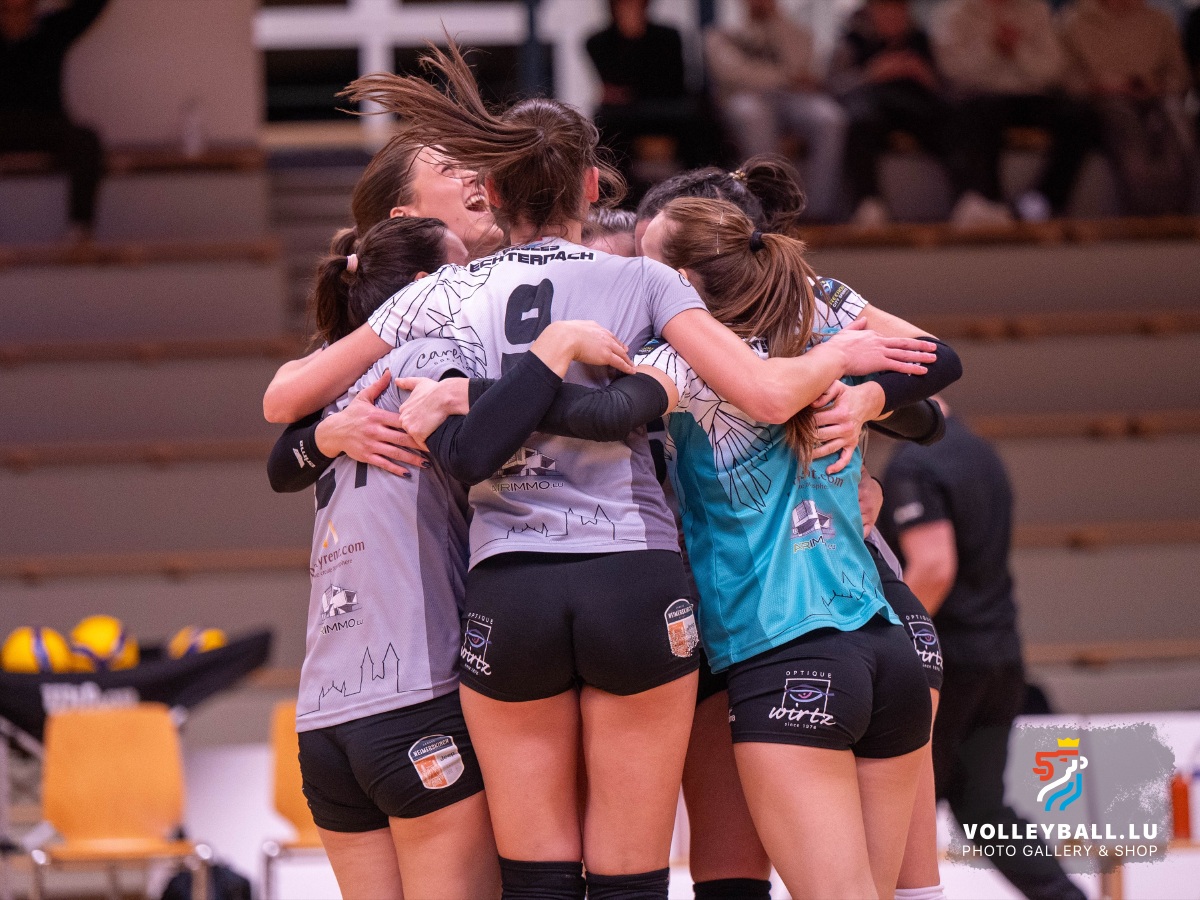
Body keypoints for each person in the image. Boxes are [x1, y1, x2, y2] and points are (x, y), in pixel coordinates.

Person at [262, 41, 938, 900]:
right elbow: (767, 393)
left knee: (538, 878)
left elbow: (286, 402)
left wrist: (344, 428)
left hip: (509, 588)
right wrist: (846, 371)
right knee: (634, 876)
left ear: (493, 190)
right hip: (638, 578)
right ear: (591, 186)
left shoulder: (435, 295)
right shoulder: (645, 278)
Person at [268, 213, 640, 899]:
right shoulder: (430, 355)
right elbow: (480, 445)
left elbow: (278, 457)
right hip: (414, 695)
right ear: (426, 287)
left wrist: (320, 438)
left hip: (324, 720)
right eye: (465, 268)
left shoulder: (328, 385)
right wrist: (555, 348)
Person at [634, 157, 953, 899]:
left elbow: (598, 409)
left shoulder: (679, 365)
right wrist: (862, 387)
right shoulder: (820, 317)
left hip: (784, 653)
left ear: (683, 279)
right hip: (883, 646)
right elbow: (938, 370)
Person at [880, 397, 1087, 900]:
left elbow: (934, 566)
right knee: (982, 807)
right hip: (1000, 659)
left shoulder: (914, 462)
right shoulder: (980, 451)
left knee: (897, 807)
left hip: (948, 665)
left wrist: (891, 640)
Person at [829, 0, 1012, 228]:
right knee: (860, 121)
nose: (892, 16)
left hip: (918, 104)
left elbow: (949, 86)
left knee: (966, 118)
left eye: (898, 10)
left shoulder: (922, 41)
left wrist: (925, 76)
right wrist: (872, 74)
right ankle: (868, 203)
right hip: (874, 104)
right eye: (885, 9)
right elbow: (833, 86)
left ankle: (972, 199)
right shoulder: (851, 41)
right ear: (872, 12)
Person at [932, 0, 1100, 222]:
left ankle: (1041, 202)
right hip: (980, 97)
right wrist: (993, 48)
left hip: (1031, 95)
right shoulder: (955, 13)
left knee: (1081, 116)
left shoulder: (1036, 10)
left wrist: (1018, 50)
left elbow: (1052, 68)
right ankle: (988, 203)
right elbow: (953, 69)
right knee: (974, 116)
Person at [704, 0, 847, 221]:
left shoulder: (793, 31)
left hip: (791, 97)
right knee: (755, 117)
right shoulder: (721, 33)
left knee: (830, 118)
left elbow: (801, 64)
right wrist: (786, 77)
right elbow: (736, 75)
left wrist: (775, 23)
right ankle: (768, 211)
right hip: (745, 96)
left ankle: (819, 214)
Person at [1059, 0, 1198, 216]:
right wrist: (1102, 86)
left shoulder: (1160, 21)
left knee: (1179, 128)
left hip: (1157, 98)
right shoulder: (1075, 21)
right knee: (1127, 131)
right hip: (1105, 99)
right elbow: (1066, 76)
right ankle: (1144, 215)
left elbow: (1179, 74)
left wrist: (1156, 86)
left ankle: (1179, 215)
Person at [0, 0, 110, 240]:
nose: (13, 18)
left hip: (47, 125)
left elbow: (92, 5)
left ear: (33, 9)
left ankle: (79, 233)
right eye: (6, 10)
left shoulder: (51, 30)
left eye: (21, 10)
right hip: (3, 127)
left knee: (86, 140)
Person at [585, 0, 717, 192]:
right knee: (606, 125)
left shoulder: (668, 37)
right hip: (626, 114)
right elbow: (613, 84)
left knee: (701, 121)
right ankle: (616, 191)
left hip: (668, 109)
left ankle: (701, 186)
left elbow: (674, 82)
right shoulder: (597, 41)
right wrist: (629, 40)